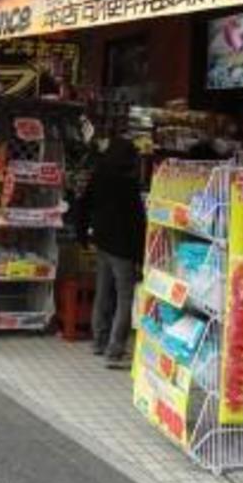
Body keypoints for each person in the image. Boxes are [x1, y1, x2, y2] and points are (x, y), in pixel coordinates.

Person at [84, 136, 146, 368]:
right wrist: (140, 256)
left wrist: (83, 235)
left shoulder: (99, 177)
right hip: (123, 249)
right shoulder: (129, 185)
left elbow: (84, 204)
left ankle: (98, 341)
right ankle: (115, 349)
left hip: (103, 243)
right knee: (124, 298)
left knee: (102, 292)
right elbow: (138, 223)